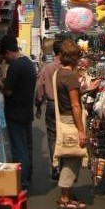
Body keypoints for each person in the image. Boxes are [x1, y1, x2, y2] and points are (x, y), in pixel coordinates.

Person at [0, 35, 36, 191]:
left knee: (19, 148)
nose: (5, 59)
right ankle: (27, 177)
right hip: (26, 111)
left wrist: (0, 82)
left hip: (15, 113)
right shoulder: (28, 64)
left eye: (4, 56)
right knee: (26, 146)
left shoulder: (15, 66)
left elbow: (8, 92)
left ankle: (23, 183)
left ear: (8, 51)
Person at [54, 39, 88, 209]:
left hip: (63, 118)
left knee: (69, 157)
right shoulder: (70, 76)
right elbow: (75, 105)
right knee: (72, 159)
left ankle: (68, 193)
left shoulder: (59, 73)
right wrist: (81, 130)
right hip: (71, 121)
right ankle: (65, 197)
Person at [35, 38, 63, 180]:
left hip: (51, 104)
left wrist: (38, 105)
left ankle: (55, 166)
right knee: (65, 134)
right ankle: (64, 167)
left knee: (52, 136)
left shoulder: (47, 67)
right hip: (66, 104)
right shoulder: (68, 67)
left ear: (54, 51)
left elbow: (40, 88)